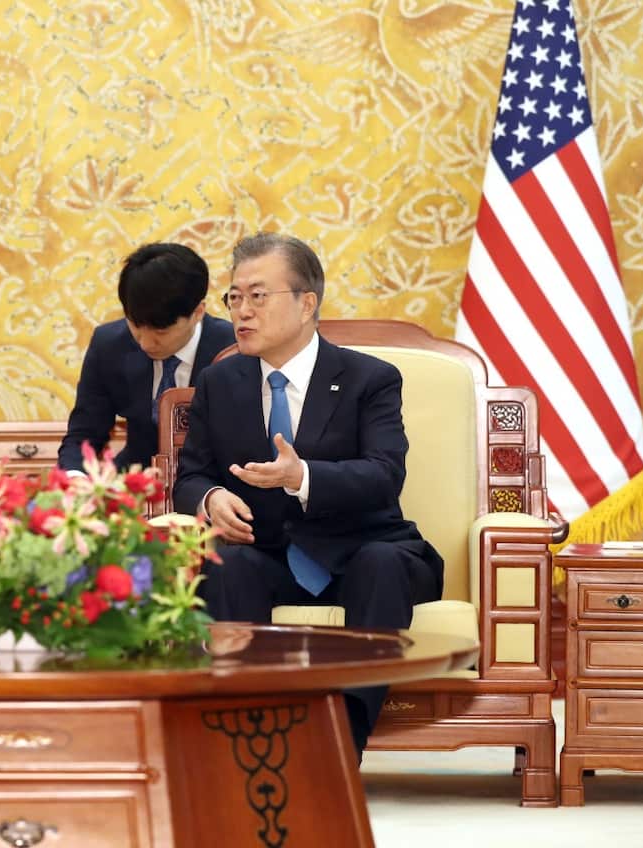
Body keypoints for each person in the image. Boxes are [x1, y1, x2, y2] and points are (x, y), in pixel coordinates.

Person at [173, 232, 443, 757]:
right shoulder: (220, 381)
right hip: (271, 553)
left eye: (258, 296)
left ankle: (342, 746)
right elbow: (191, 475)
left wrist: (303, 478)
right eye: (234, 297)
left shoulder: (370, 379)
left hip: (364, 550)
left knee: (380, 564)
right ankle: (247, 743)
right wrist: (210, 501)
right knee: (228, 565)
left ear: (306, 303)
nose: (242, 312)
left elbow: (385, 475)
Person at [59, 243, 235, 472]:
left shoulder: (234, 350)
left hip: (215, 488)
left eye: (161, 332)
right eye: (136, 326)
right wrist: (76, 479)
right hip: (136, 484)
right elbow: (84, 433)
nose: (145, 343)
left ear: (198, 312)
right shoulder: (109, 345)